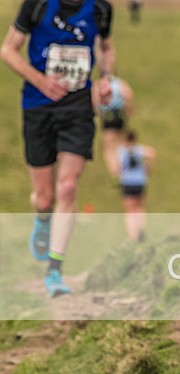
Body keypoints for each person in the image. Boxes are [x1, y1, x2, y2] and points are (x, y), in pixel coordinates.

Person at [1, 0, 115, 297]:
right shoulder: (37, 5)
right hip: (38, 107)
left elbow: (105, 47)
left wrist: (105, 80)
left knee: (67, 188)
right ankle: (42, 217)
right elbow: (7, 50)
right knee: (45, 198)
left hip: (77, 107)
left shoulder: (101, 9)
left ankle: (54, 271)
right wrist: (41, 81)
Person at [117, 130, 155, 242]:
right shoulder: (139, 149)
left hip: (127, 182)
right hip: (139, 181)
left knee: (129, 210)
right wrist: (148, 168)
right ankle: (140, 230)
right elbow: (152, 153)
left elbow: (118, 167)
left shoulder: (121, 151)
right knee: (140, 207)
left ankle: (132, 234)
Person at [93, 74, 133, 179]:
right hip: (119, 115)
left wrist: (97, 112)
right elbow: (128, 95)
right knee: (119, 143)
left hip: (108, 115)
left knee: (109, 147)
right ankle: (123, 168)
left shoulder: (99, 84)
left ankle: (114, 171)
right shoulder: (120, 83)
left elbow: (95, 100)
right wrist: (128, 110)